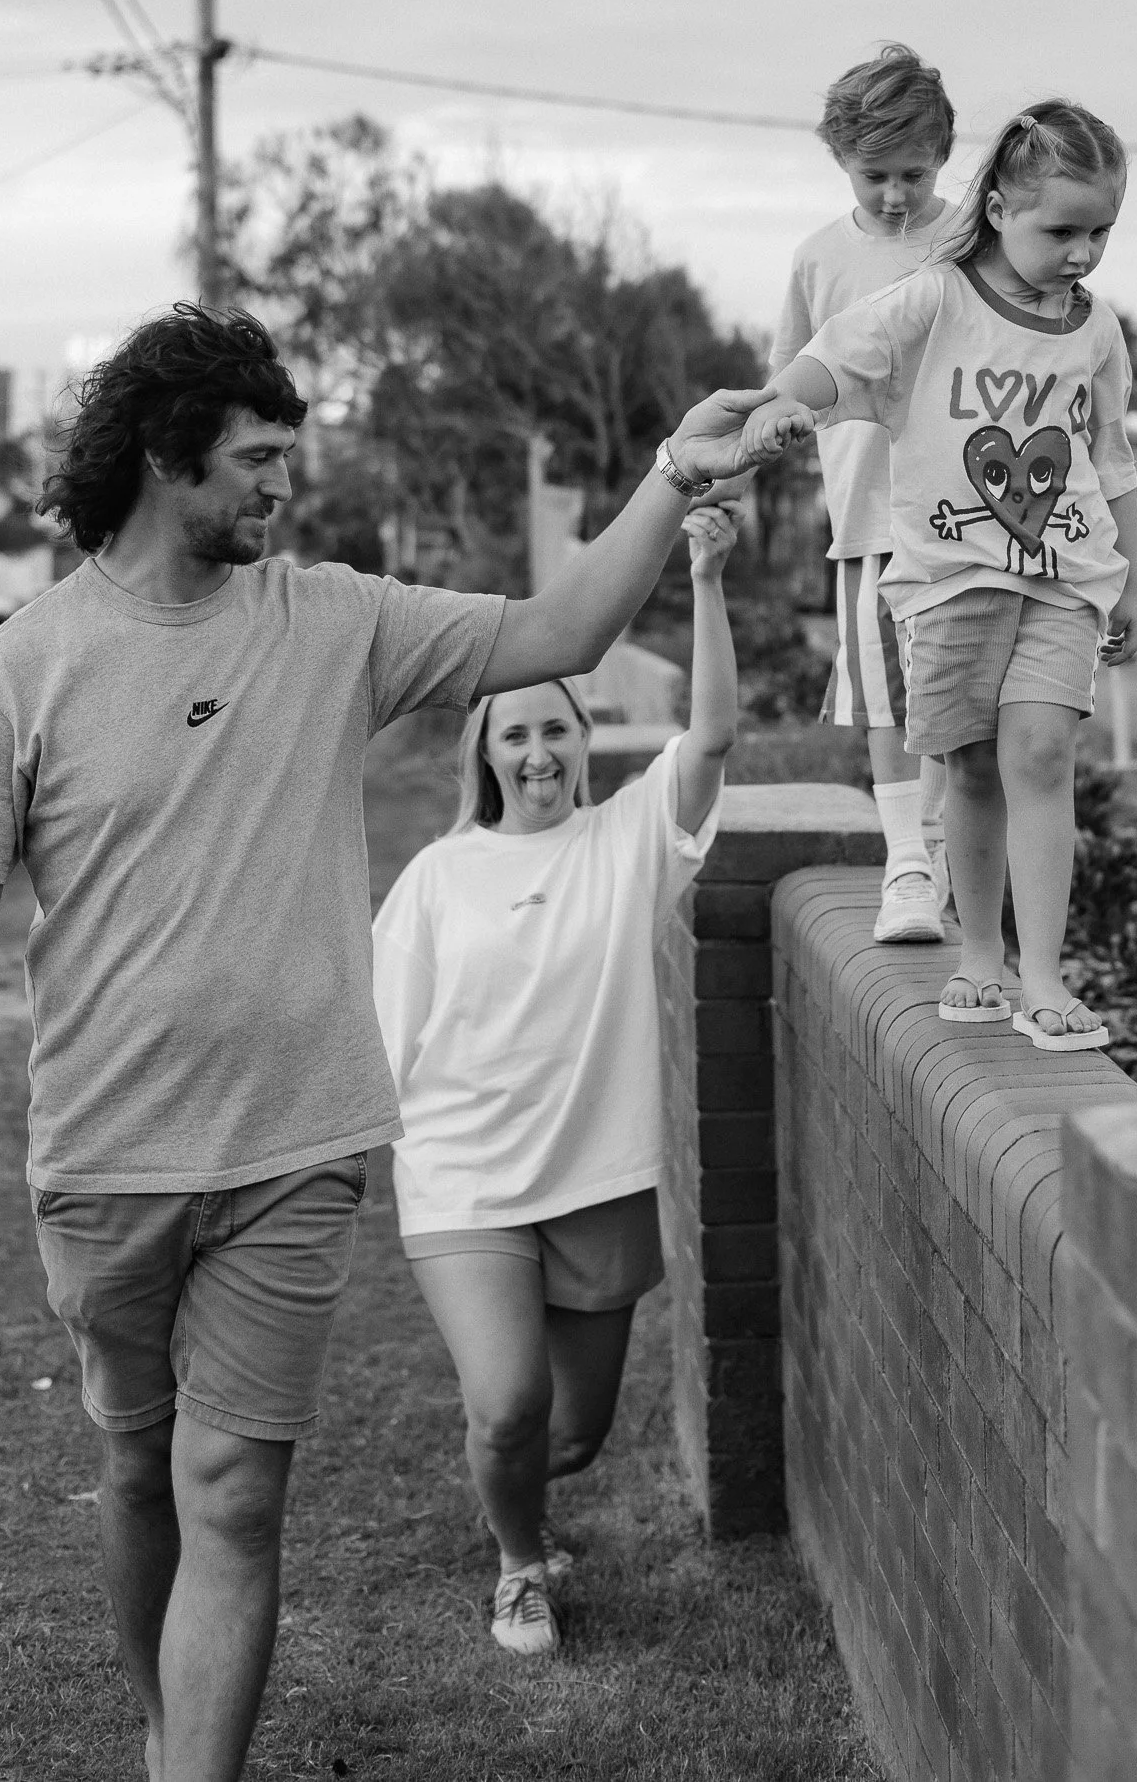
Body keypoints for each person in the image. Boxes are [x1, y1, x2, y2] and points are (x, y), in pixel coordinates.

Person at [0, 304, 810, 1782]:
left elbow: (554, 633)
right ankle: (165, 1729)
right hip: (105, 1157)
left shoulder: (328, 620)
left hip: (297, 1147)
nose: (280, 488)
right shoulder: (19, 672)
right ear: (161, 457)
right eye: (255, 459)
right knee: (139, 1464)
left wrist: (671, 476)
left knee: (234, 1493)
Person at [371, 497, 740, 1658]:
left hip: (597, 1175)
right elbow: (382, 1045)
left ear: (583, 743)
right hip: (464, 1180)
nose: (538, 753)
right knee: (508, 1404)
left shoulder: (626, 844)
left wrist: (709, 583)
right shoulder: (435, 880)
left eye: (556, 732)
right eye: (514, 734)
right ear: (482, 751)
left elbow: (714, 740)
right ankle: (518, 1564)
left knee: (571, 1434)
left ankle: (520, 1495)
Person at [745, 102, 1137, 1048]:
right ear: (998, 206)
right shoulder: (936, 298)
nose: (1083, 252)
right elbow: (829, 358)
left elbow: (1113, 458)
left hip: (1062, 575)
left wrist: (1128, 579)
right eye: (1062, 230)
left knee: (1041, 756)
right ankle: (979, 957)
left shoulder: (1096, 330)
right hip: (950, 578)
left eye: (1100, 232)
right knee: (968, 766)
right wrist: (774, 412)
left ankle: (1043, 974)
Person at [769, 43, 957, 943]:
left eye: (912, 174)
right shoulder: (816, 261)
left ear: (944, 158)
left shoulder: (974, 244)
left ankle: (943, 848)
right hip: (864, 518)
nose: (895, 195)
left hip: (965, 520)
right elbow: (786, 385)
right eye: (875, 174)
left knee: (954, 699)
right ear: (840, 160)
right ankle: (908, 867)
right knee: (885, 700)